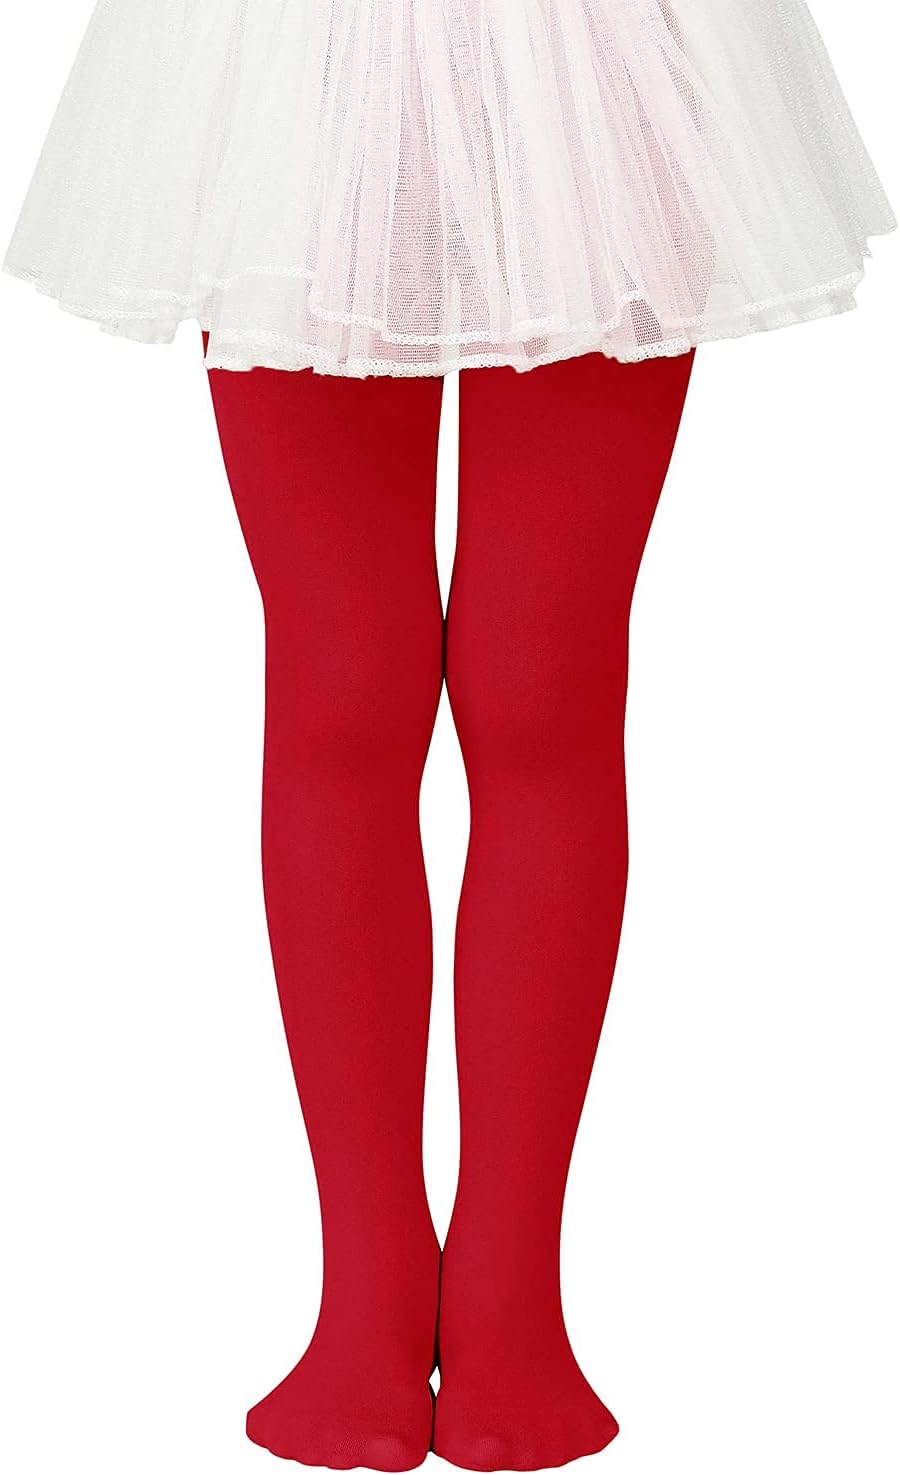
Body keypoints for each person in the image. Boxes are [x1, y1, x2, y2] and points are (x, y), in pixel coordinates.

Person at [4, 2, 894, 1470]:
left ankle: (510, 1287)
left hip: (599, 55)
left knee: (544, 688)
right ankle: (366, 1284)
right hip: (295, 60)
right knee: (341, 689)